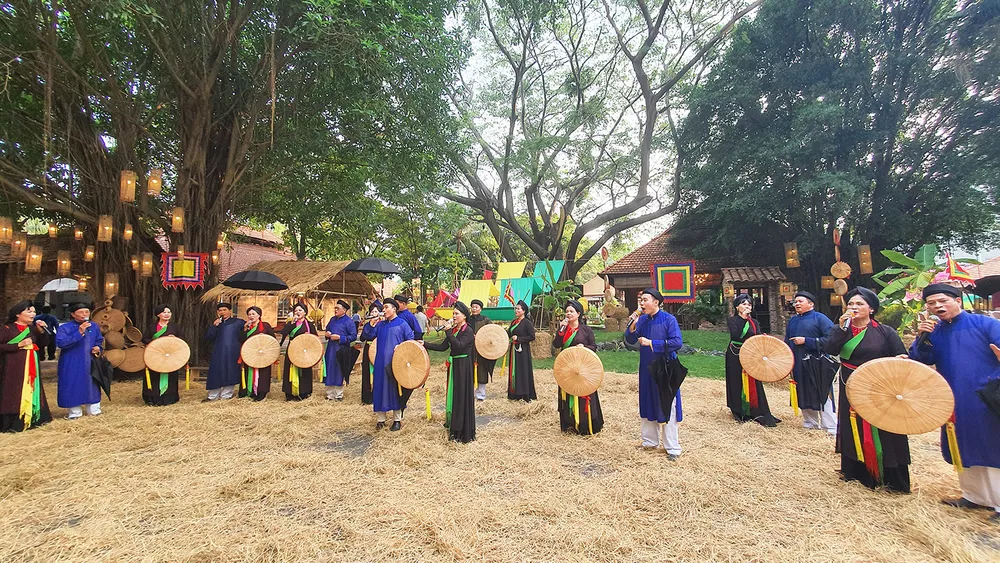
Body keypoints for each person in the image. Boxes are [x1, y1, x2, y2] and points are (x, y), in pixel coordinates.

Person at [909, 283, 1000, 521]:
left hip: (987, 396)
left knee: (992, 446)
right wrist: (922, 337)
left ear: (957, 301)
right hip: (952, 397)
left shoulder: (986, 324)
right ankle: (974, 496)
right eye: (931, 303)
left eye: (943, 301)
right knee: (962, 446)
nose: (938, 306)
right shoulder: (935, 331)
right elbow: (920, 359)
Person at [826, 287, 910, 492]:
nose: (854, 307)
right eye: (851, 304)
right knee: (851, 423)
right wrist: (840, 328)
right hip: (850, 382)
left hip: (877, 385)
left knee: (883, 427)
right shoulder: (843, 329)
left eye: (859, 304)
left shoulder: (885, 332)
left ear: (871, 309)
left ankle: (889, 475)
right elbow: (829, 349)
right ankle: (855, 471)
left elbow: (900, 356)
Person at [625, 288, 684, 460]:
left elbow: (677, 342)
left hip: (666, 368)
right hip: (646, 368)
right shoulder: (642, 320)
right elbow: (629, 341)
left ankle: (672, 447)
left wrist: (652, 343)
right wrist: (633, 324)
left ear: (656, 302)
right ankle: (649, 441)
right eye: (640, 300)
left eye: (645, 300)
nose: (641, 303)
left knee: (668, 404)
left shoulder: (669, 320)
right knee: (648, 400)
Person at [423, 301, 476, 443]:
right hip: (454, 365)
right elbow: (442, 347)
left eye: (456, 314)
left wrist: (447, 330)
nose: (454, 316)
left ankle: (461, 430)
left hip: (463, 366)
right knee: (453, 395)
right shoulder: (454, 330)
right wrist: (424, 344)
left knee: (461, 395)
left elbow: (458, 346)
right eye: (453, 313)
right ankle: (454, 425)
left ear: (464, 316)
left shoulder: (468, 331)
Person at [785, 291, 837, 434]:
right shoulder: (793, 321)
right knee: (802, 392)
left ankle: (830, 426)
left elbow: (831, 340)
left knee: (822, 393)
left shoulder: (820, 319)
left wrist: (807, 341)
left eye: (800, 301)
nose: (797, 304)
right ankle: (810, 423)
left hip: (818, 364)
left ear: (811, 304)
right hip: (798, 363)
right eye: (795, 302)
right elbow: (787, 342)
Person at [725, 294, 779, 426]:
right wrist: (743, 318)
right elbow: (737, 336)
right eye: (744, 304)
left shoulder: (754, 322)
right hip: (735, 354)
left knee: (754, 381)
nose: (747, 306)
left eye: (749, 304)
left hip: (751, 355)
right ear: (737, 307)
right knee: (737, 380)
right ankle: (739, 411)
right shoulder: (732, 321)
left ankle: (757, 410)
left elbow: (757, 336)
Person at [361, 298, 414, 430]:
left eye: (386, 307)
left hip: (395, 364)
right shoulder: (380, 325)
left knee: (395, 390)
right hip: (379, 363)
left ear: (394, 309)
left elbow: (411, 341)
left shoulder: (402, 324)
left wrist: (401, 347)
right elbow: (367, 335)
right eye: (383, 308)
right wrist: (371, 323)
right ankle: (381, 419)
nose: (383, 310)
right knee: (379, 388)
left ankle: (397, 419)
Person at [0, 301, 53, 431]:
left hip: (31, 368)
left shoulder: (33, 329)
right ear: (18, 314)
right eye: (29, 311)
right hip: (12, 369)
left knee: (31, 390)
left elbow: (43, 344)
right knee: (12, 393)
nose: (33, 314)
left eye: (34, 311)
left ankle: (33, 418)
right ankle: (12, 422)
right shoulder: (7, 329)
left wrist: (42, 332)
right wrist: (17, 345)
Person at [553, 299, 603, 435]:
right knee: (567, 391)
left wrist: (584, 347)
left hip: (582, 369)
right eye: (567, 312)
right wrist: (560, 331)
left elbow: (594, 346)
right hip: (567, 368)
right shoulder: (563, 329)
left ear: (578, 314)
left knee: (583, 393)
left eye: (571, 311)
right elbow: (556, 345)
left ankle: (585, 424)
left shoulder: (586, 330)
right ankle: (569, 424)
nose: (568, 314)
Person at [56, 302, 104, 419]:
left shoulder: (94, 326)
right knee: (72, 384)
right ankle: (75, 412)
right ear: (73, 314)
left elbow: (99, 340)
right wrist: (79, 332)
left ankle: (94, 410)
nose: (84, 314)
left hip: (90, 361)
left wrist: (98, 348)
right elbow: (61, 343)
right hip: (71, 362)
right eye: (81, 312)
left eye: (86, 311)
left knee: (92, 384)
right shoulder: (64, 328)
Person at [141, 304, 182, 406]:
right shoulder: (152, 327)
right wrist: (156, 340)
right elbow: (144, 339)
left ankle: (169, 398)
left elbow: (182, 340)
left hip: (170, 356)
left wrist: (174, 338)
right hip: (155, 356)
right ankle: (152, 399)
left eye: (169, 312)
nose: (167, 314)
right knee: (154, 376)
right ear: (158, 314)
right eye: (164, 312)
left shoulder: (175, 327)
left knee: (170, 377)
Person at [279, 302, 318, 401]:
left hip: (304, 351)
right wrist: (291, 323)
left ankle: (304, 392)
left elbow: (315, 338)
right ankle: (290, 393)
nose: (297, 312)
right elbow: (283, 334)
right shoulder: (291, 323)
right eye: (295, 311)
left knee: (304, 371)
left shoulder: (309, 325)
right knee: (289, 370)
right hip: (292, 349)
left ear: (305, 312)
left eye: (300, 310)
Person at [204, 302, 243, 401]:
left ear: (230, 311)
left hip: (232, 352)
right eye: (220, 310)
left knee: (230, 372)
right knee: (215, 372)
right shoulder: (217, 323)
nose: (222, 312)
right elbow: (209, 337)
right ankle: (212, 396)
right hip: (218, 351)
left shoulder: (238, 322)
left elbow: (245, 335)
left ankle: (226, 395)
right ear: (217, 312)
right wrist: (214, 326)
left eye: (225, 310)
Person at [238, 306, 275, 401]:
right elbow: (240, 340)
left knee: (262, 374)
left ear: (259, 315)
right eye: (249, 314)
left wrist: (264, 338)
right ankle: (248, 392)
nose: (251, 316)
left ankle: (261, 393)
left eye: (253, 314)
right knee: (247, 371)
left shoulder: (265, 326)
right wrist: (245, 329)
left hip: (263, 354)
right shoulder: (247, 326)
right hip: (250, 354)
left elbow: (273, 340)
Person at [323, 300, 357, 401]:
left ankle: (338, 394)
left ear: (344, 310)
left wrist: (340, 338)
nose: (335, 310)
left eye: (337, 308)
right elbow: (327, 330)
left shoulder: (349, 322)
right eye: (335, 308)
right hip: (330, 349)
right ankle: (329, 394)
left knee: (339, 371)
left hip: (342, 350)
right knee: (329, 369)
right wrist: (327, 334)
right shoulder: (332, 319)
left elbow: (353, 336)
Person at [506, 300, 537, 402]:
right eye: (516, 308)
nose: (516, 310)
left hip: (522, 351)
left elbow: (532, 336)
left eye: (518, 308)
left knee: (523, 370)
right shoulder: (514, 322)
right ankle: (515, 393)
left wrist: (519, 339)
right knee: (514, 370)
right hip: (514, 350)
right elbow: (509, 334)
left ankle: (525, 394)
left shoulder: (527, 323)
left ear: (523, 311)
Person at [467, 299, 496, 401]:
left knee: (482, 370)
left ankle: (481, 393)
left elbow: (492, 332)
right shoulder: (467, 320)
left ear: (480, 309)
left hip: (482, 350)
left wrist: (480, 337)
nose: (474, 309)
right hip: (469, 349)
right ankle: (469, 393)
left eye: (476, 307)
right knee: (468, 370)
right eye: (472, 306)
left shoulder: (485, 320)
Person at [358, 301, 381, 405]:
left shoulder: (382, 324)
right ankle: (367, 398)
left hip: (378, 348)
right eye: (372, 311)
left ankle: (377, 396)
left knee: (378, 372)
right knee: (367, 372)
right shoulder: (367, 325)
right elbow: (363, 337)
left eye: (376, 311)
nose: (374, 313)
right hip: (368, 348)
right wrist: (371, 326)